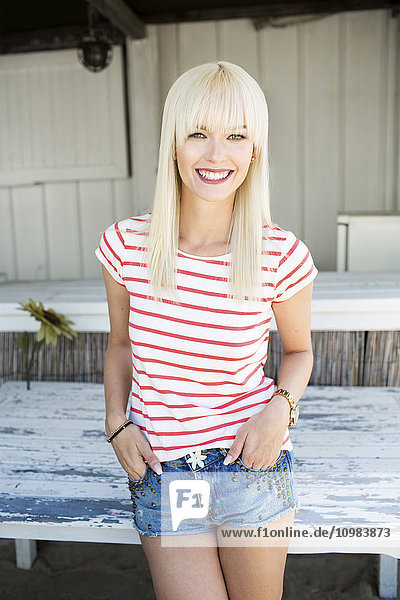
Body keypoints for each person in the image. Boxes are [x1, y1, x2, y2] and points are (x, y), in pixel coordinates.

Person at [95, 60, 318, 600]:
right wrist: (115, 424)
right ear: (173, 143)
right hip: (165, 466)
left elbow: (299, 352)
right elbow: (121, 347)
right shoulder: (126, 246)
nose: (216, 155)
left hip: (251, 462)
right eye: (198, 133)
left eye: (235, 136)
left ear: (253, 151)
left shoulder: (279, 254)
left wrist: (277, 412)